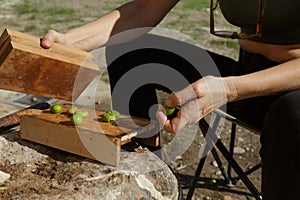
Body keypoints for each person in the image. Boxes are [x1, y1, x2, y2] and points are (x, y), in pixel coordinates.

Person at [41, 0, 300, 199]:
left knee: (290, 114)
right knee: (129, 51)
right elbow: (143, 8)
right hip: (247, 71)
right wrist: (70, 42)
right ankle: (148, 183)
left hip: (291, 91)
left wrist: (229, 89)